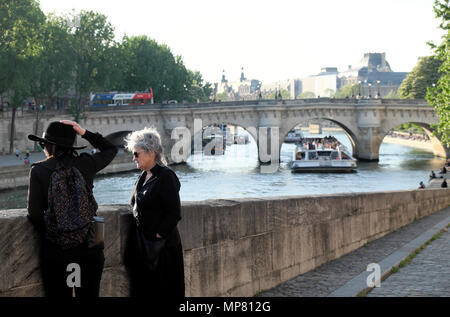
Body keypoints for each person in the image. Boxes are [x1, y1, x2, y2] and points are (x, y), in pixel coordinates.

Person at [27, 120, 117, 297]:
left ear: (50, 146)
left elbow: (35, 215)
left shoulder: (39, 171)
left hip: (56, 253)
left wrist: (58, 234)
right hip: (89, 250)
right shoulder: (86, 164)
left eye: (43, 144)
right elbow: (111, 149)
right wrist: (83, 132)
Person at [124, 127, 185, 298]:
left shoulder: (166, 176)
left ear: (151, 152)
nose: (133, 158)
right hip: (144, 248)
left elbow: (174, 212)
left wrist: (158, 236)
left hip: (162, 250)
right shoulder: (144, 176)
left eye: (136, 153)